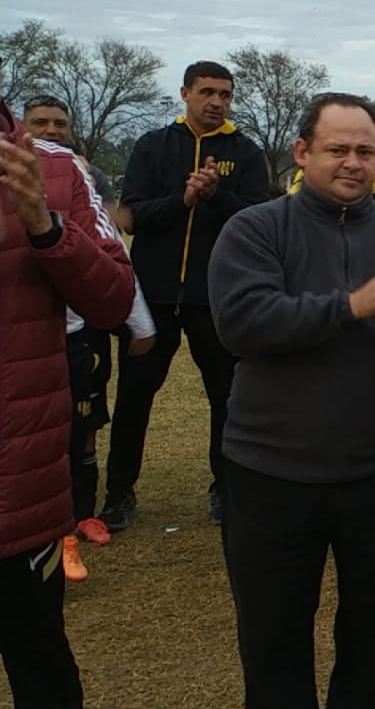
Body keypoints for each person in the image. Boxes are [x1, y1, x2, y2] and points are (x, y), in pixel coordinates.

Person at [208, 92, 375, 709]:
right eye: (337, 150)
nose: (352, 162)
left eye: (365, 150)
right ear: (303, 153)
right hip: (271, 475)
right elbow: (243, 323)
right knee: (273, 640)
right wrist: (357, 302)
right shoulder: (255, 228)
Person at [1, 97, 136, 709]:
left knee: (41, 670)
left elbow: (113, 298)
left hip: (18, 493)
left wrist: (43, 223)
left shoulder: (54, 168)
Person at [101, 60, 271, 530]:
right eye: (207, 92)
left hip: (216, 297)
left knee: (228, 399)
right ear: (185, 94)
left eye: (225, 94)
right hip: (152, 297)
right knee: (135, 398)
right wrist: (184, 200)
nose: (216, 102)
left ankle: (227, 491)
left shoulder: (245, 151)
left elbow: (259, 218)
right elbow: (130, 214)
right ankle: (118, 494)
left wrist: (215, 195)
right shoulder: (155, 146)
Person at [21, 96, 157, 577]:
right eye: (40, 122)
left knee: (81, 428)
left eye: (60, 123)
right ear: (21, 123)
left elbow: (111, 250)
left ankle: (79, 519)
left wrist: (139, 321)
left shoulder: (78, 174)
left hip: (76, 331)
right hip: (18, 339)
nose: (51, 131)